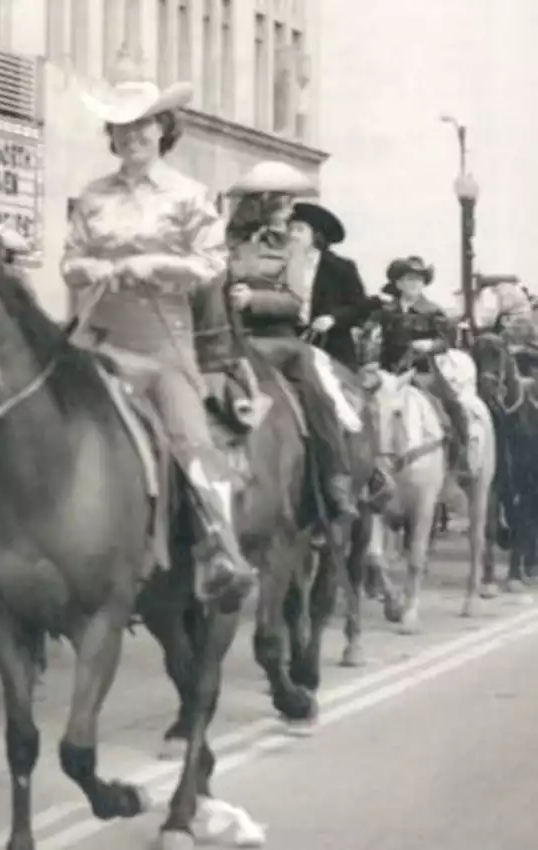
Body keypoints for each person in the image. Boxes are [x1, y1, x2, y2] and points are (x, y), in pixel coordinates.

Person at [62, 62, 255, 608]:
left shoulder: (190, 195)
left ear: (163, 129)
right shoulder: (92, 195)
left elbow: (212, 263)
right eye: (123, 128)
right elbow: (70, 260)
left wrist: (155, 266)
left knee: (189, 433)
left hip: (160, 337)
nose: (134, 136)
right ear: (112, 136)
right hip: (95, 333)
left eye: (144, 126)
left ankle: (222, 547)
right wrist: (88, 271)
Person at [224, 161, 363, 520]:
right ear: (264, 204)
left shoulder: (290, 249)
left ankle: (335, 476)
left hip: (277, 339)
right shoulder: (226, 244)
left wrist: (251, 300)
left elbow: (295, 300)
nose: (289, 213)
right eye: (284, 204)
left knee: (316, 391)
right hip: (229, 337)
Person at [372, 256, 471, 482]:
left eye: (418, 280)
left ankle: (460, 459)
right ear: (398, 284)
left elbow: (447, 341)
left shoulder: (431, 310)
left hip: (422, 372)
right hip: (388, 373)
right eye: (409, 279)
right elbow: (376, 339)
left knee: (452, 404)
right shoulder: (387, 311)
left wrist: (430, 345)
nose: (414, 284)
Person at [284, 201, 369, 370]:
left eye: (300, 229)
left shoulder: (340, 267)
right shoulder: (282, 265)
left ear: (316, 235)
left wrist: (333, 319)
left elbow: (360, 307)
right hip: (292, 346)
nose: (293, 234)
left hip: (332, 348)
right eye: (290, 229)